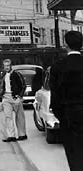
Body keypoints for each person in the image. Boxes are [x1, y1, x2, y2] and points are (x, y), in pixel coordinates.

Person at [49, 30, 83, 171]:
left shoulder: (58, 67)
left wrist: (61, 115)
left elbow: (55, 96)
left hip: (69, 115)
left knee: (73, 152)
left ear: (66, 45)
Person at [0, 59, 27, 142]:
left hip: (15, 97)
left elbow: (23, 86)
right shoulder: (3, 75)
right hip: (6, 97)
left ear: (11, 66)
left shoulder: (16, 74)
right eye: (5, 66)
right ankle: (11, 136)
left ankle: (22, 134)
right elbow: (1, 87)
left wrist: (19, 97)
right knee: (8, 117)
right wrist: (1, 98)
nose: (6, 67)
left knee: (19, 117)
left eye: (8, 65)